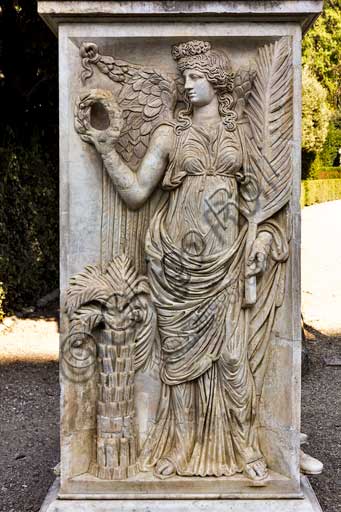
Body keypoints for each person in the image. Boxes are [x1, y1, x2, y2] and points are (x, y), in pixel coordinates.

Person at [87, 40, 287, 482]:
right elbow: (138, 193)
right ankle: (177, 449)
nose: (187, 84)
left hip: (224, 261)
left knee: (233, 360)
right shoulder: (169, 134)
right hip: (177, 265)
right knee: (177, 368)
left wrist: (259, 243)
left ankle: (246, 448)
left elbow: (256, 202)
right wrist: (105, 149)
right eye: (184, 77)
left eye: (196, 77)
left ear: (216, 82)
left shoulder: (239, 136)